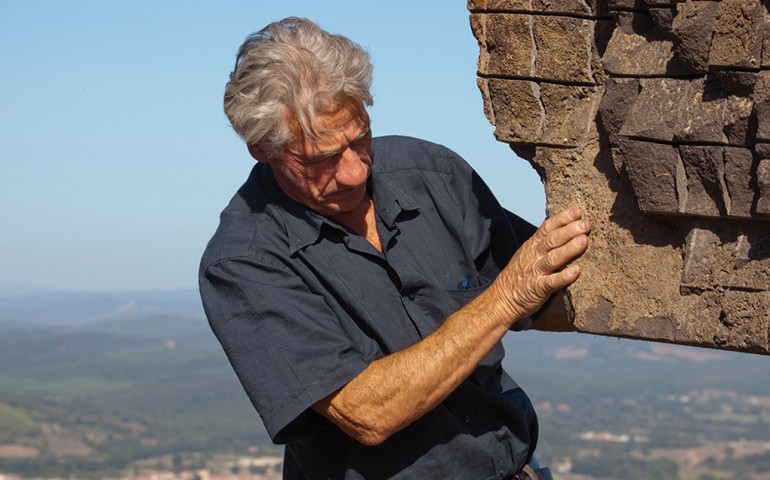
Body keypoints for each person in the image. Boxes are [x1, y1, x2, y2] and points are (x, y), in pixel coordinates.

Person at [199, 17, 590, 480]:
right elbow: (367, 412)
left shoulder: (432, 174)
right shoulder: (244, 261)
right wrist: (505, 300)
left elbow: (543, 296)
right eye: (322, 159)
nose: (354, 171)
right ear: (263, 150)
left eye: (359, 137)